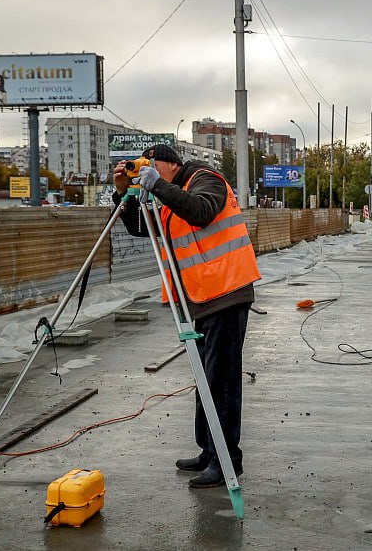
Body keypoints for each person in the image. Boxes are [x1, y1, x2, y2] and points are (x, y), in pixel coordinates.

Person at [112, 144, 261, 488]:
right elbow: (139, 228)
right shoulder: (171, 196)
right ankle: (210, 453)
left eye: (149, 165)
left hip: (225, 294)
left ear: (168, 163)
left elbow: (202, 211)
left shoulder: (205, 179)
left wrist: (159, 186)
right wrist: (124, 192)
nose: (144, 172)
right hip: (201, 298)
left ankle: (227, 462)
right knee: (206, 380)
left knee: (221, 383)